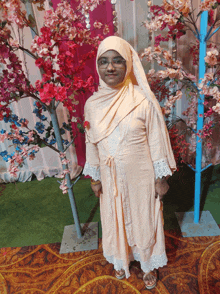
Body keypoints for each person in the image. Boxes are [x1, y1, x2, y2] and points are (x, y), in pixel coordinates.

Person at [82, 36, 176, 290]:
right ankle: (122, 260)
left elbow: (156, 141)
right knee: (115, 217)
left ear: (128, 64)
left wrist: (161, 178)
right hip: (110, 177)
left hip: (141, 177)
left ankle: (147, 265)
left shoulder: (142, 99)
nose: (110, 68)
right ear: (98, 66)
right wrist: (96, 177)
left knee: (144, 219)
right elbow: (92, 142)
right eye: (104, 62)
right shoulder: (92, 104)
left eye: (117, 61)